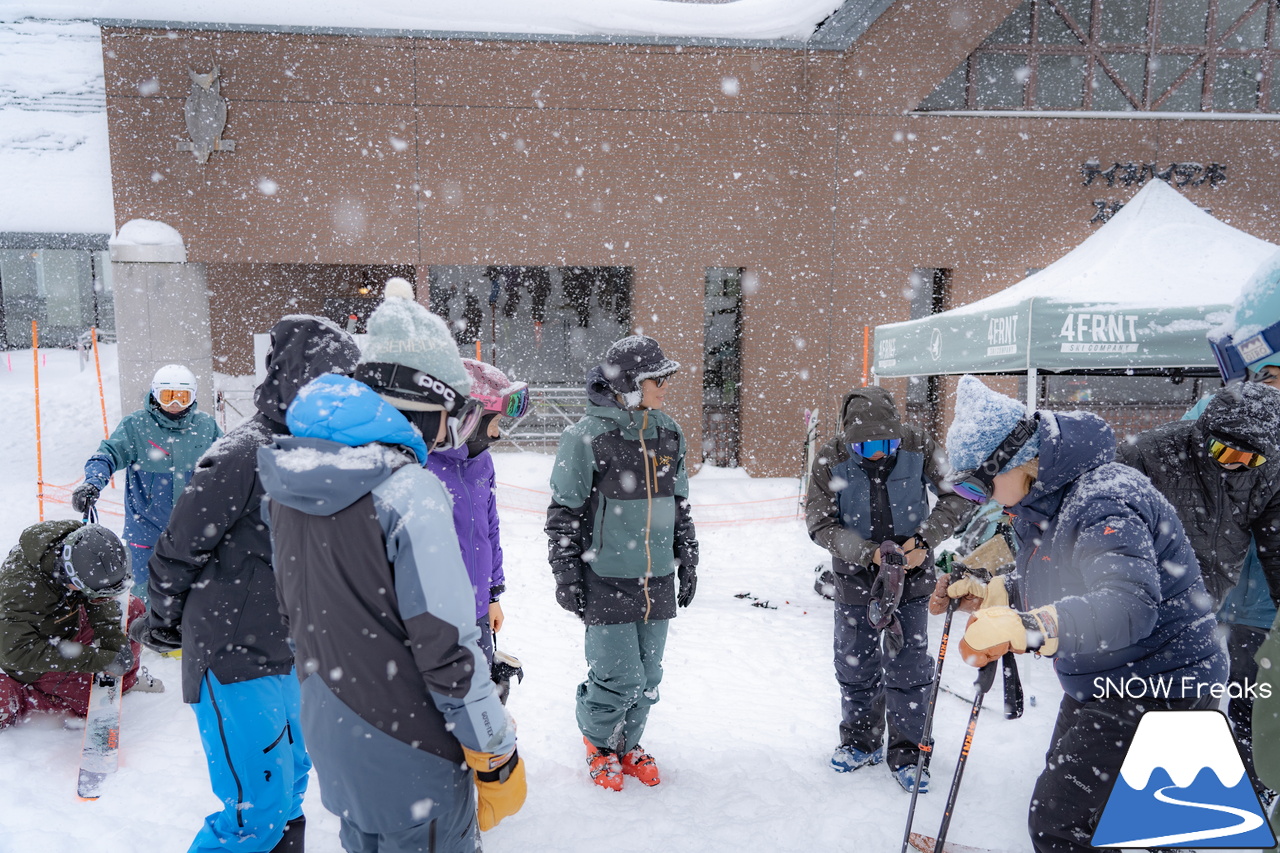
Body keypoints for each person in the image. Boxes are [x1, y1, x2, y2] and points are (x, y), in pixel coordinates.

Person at [257, 280, 524, 852]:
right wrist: (496, 755)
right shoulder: (409, 493)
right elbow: (449, 648)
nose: (452, 433)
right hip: (416, 751)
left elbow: (302, 617)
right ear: (424, 402)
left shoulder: (290, 483)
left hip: (335, 737)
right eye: (452, 413)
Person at [938, 374, 1226, 853]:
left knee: (1063, 826)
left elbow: (1128, 607)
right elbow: (1066, 582)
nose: (980, 499)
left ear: (1015, 462)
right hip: (1110, 677)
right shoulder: (1047, 499)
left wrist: (1030, 627)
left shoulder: (1102, 499)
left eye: (976, 485)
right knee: (1096, 823)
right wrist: (997, 594)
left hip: (1158, 683)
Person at [133, 316, 361, 853]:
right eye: (327, 384)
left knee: (293, 784)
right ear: (293, 379)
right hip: (232, 654)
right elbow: (178, 548)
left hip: (292, 651)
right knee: (253, 808)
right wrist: (165, 622)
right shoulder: (242, 454)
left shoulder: (323, 457)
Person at [546, 335, 698, 791]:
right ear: (630, 385)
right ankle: (598, 743)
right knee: (618, 675)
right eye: (658, 378)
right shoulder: (586, 438)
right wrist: (567, 573)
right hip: (605, 576)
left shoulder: (668, 431)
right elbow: (564, 513)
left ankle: (627, 743)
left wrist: (687, 556)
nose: (666, 386)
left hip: (657, 577)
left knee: (649, 677)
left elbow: (681, 503)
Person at [804, 386, 969, 792]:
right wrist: (866, 553)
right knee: (855, 665)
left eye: (886, 442)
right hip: (855, 577)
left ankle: (911, 751)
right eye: (867, 445)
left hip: (912, 575)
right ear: (850, 441)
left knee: (909, 667)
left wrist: (925, 541)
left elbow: (958, 495)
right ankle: (860, 741)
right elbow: (818, 522)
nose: (879, 453)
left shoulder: (919, 444)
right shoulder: (830, 457)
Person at [1175, 372, 1280, 804]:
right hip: (1208, 595)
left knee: (1252, 706)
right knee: (1186, 704)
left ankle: (1252, 797)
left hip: (1261, 608)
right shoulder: (1214, 411)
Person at [71, 364, 221, 602]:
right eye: (167, 396)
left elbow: (227, 465)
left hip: (193, 528)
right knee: (146, 595)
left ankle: (188, 637)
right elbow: (108, 454)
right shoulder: (136, 426)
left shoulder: (205, 427)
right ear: (154, 394)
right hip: (146, 529)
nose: (174, 404)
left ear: (193, 397)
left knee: (195, 594)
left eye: (182, 397)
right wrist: (93, 483)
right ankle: (147, 634)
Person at [425, 358, 529, 696]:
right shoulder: (421, 465)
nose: (500, 433)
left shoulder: (482, 462)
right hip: (434, 614)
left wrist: (493, 593)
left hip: (479, 608)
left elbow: (489, 530)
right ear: (469, 419)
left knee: (479, 694)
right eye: (496, 422)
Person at [0, 521, 156, 729]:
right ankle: (25, 696)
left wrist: (113, 644)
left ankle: (123, 685)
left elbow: (100, 598)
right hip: (33, 651)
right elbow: (14, 651)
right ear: (68, 573)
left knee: (132, 607)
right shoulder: (20, 589)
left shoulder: (78, 544)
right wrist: (97, 660)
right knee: (88, 704)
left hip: (66, 622)